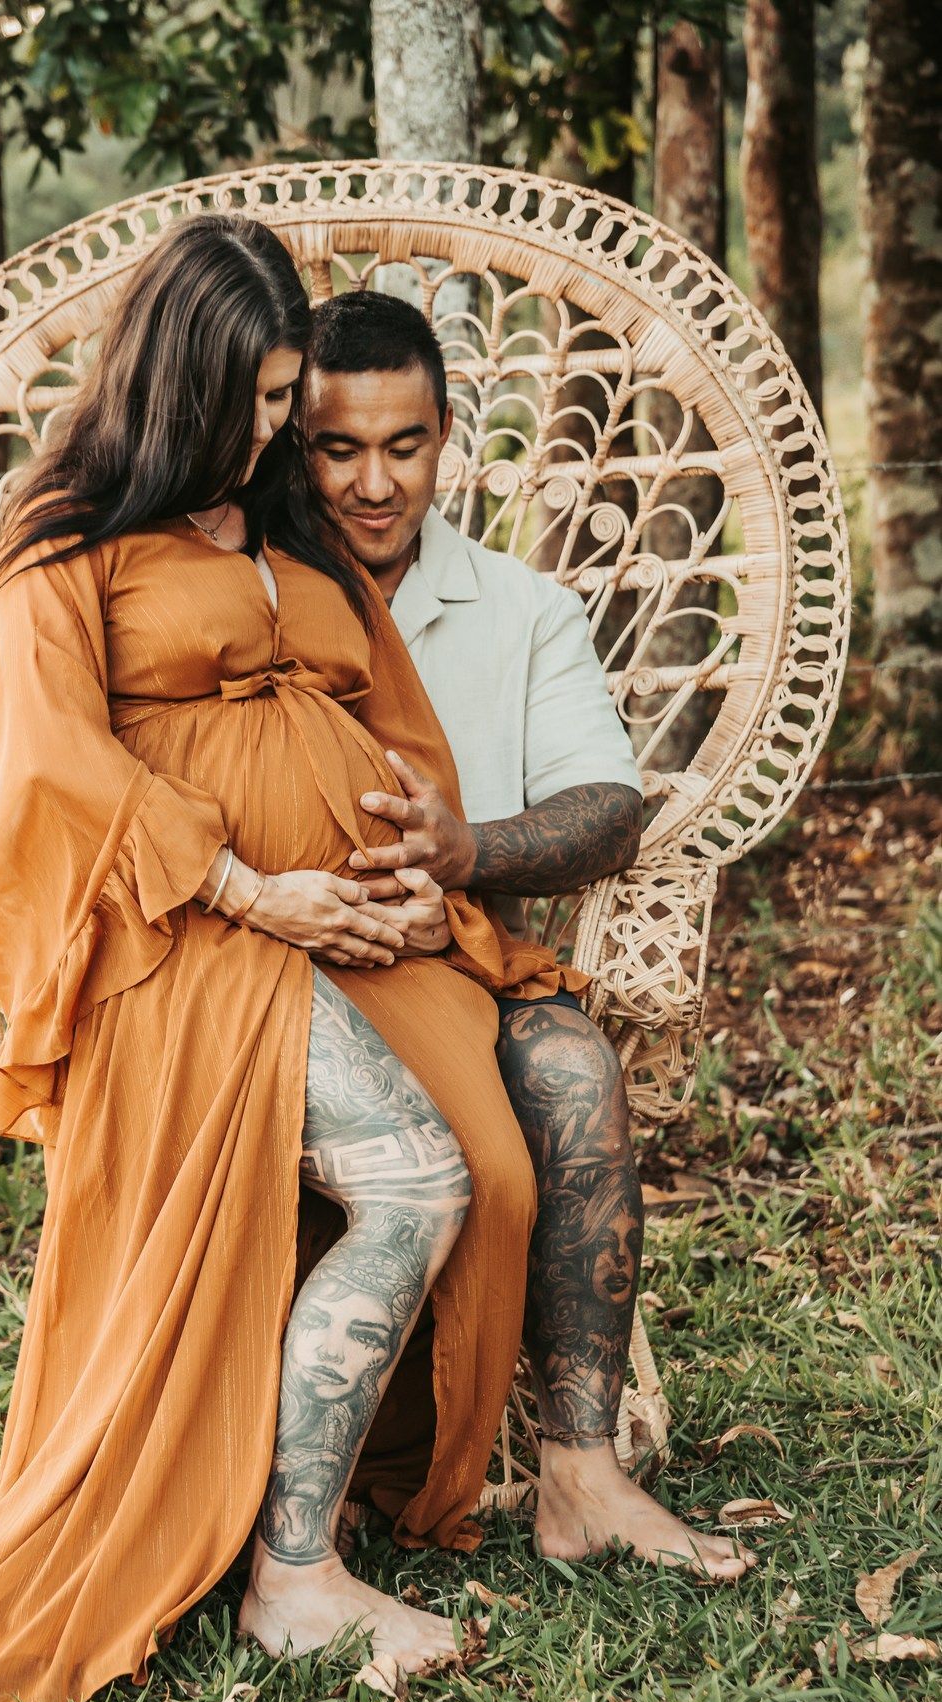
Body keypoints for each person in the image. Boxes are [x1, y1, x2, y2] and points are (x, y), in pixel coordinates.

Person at [0, 214, 586, 1702]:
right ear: (171, 382)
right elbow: (57, 770)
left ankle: (384, 1486)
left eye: (288, 398)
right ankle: (292, 1574)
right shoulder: (63, 541)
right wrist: (261, 891)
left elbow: (389, 708)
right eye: (253, 401)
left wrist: (414, 866)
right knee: (418, 1178)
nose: (275, 431)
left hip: (346, 917)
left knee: (497, 1161)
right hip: (186, 937)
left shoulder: (287, 519)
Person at [303, 290, 752, 1581]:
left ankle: (580, 1474)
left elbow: (607, 805)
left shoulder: (522, 609)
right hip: (292, 969)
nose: (375, 482)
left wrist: (468, 852)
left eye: (405, 444)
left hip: (471, 958)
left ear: (449, 437)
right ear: (296, 447)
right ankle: (292, 1466)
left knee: (574, 1071)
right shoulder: (256, 598)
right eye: (339, 448)